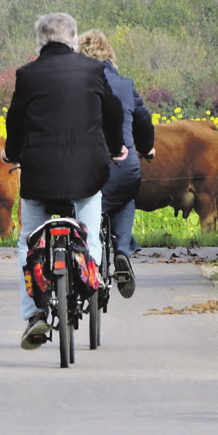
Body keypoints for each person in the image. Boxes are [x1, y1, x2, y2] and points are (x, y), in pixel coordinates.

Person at [2, 12, 127, 350]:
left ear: (40, 42)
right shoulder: (93, 70)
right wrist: (116, 147)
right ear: (73, 40)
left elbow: (15, 123)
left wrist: (11, 154)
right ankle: (94, 279)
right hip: (87, 174)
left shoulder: (27, 75)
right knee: (90, 235)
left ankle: (34, 316)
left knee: (28, 242)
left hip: (39, 176)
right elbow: (113, 112)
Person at [76, 30, 155, 298]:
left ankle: (87, 259)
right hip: (124, 166)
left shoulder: (74, 84)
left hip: (85, 168)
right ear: (109, 54)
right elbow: (143, 122)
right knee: (125, 196)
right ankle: (122, 249)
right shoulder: (124, 84)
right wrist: (147, 148)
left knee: (87, 201)